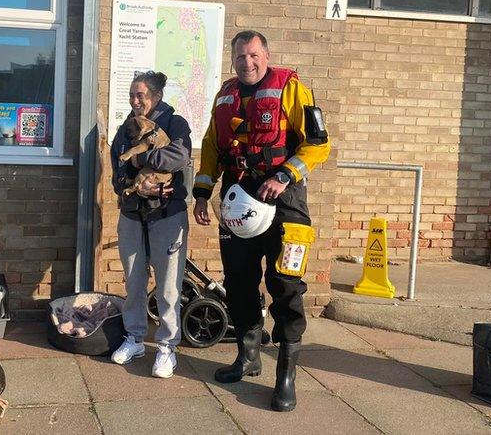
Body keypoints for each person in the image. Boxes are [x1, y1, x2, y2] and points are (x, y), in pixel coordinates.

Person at [193, 30, 330, 411]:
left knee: (286, 285)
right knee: (238, 282)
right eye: (240, 56)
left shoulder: (291, 88)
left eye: (253, 55)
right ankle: (248, 356)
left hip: (285, 203)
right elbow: (211, 146)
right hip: (238, 203)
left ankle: (285, 375)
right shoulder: (225, 95)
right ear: (233, 60)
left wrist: (285, 174)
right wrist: (202, 192)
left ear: (266, 55)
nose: (247, 62)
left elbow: (319, 143)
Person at [110, 71, 192, 379]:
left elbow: (179, 156)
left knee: (168, 287)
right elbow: (116, 167)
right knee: (133, 282)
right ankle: (135, 338)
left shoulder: (175, 123)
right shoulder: (125, 128)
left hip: (167, 217)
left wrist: (138, 162)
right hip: (132, 215)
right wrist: (128, 184)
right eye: (131, 95)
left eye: (140, 95)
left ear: (155, 97)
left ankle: (167, 347)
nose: (134, 101)